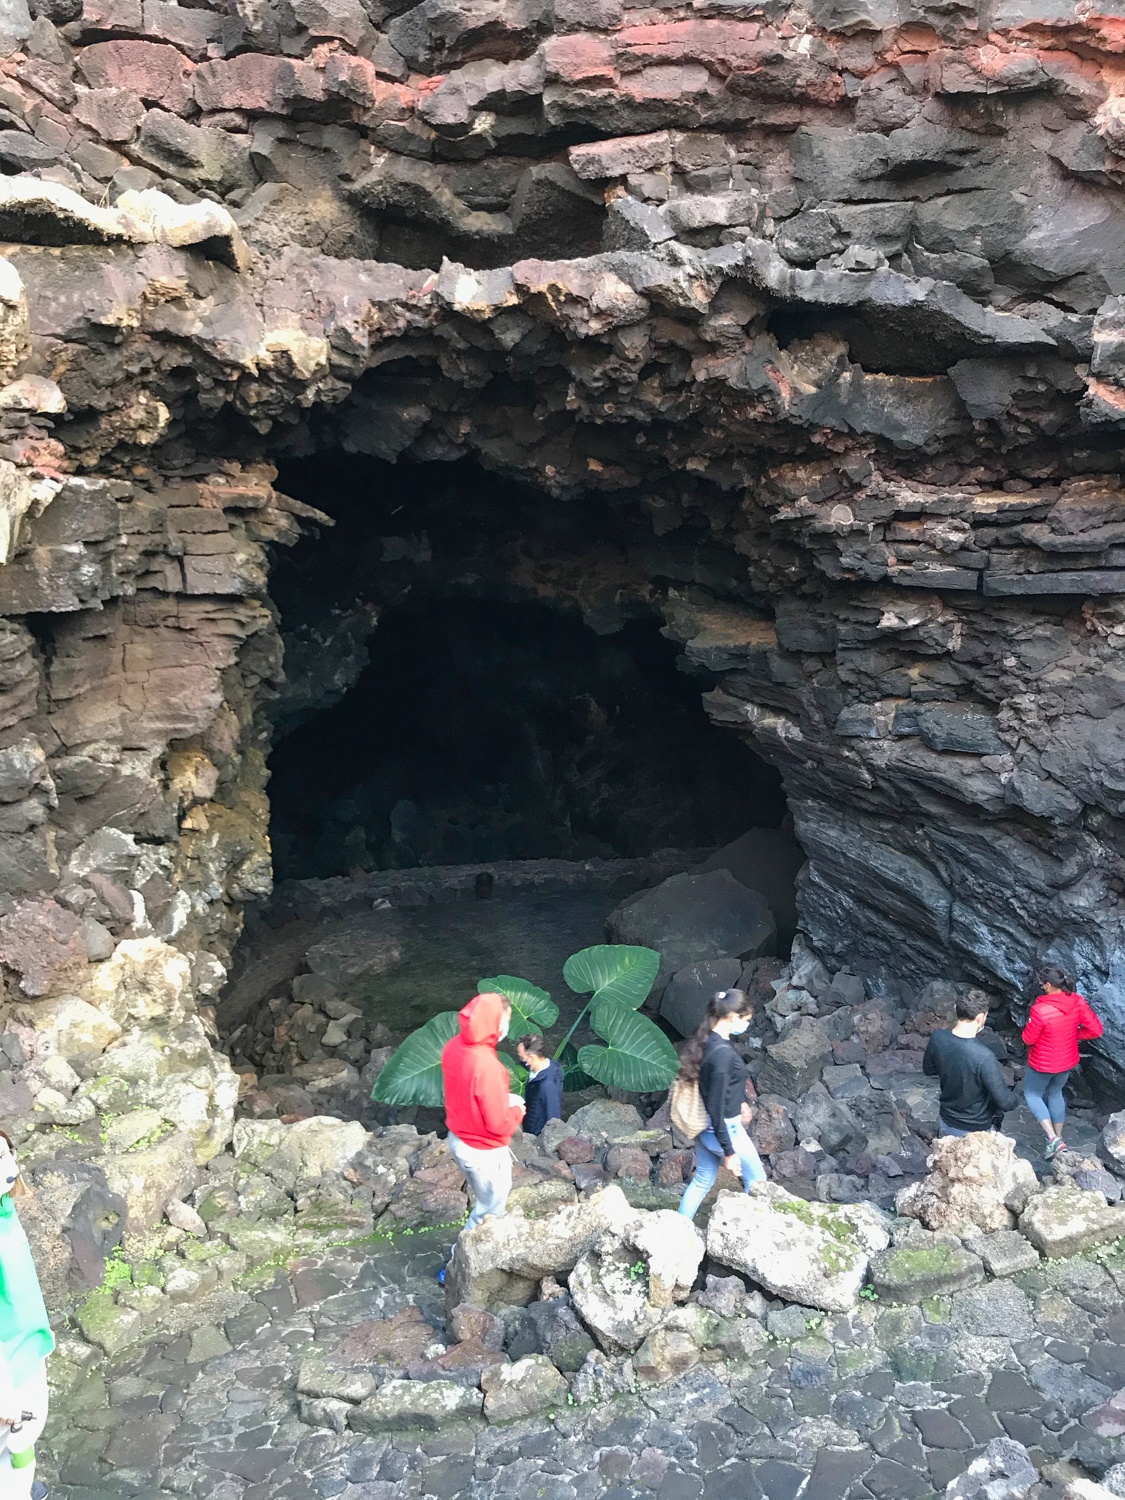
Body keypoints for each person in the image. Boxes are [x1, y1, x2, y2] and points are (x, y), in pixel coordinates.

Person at [676, 989, 767, 1220]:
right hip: (725, 1130)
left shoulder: (706, 1041)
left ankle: (678, 1225)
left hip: (703, 1129)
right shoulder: (723, 1055)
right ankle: (745, 1235)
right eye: (746, 1020)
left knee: (702, 1180)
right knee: (758, 1184)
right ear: (734, 1016)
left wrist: (742, 1102)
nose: (746, 1025)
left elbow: (716, 1088)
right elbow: (716, 1103)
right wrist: (728, 1151)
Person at [441, 992, 525, 1238]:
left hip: (458, 1137)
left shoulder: (454, 1046)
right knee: (489, 1211)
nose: (506, 1027)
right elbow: (499, 1125)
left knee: (485, 1201)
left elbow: (466, 1090)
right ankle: (459, 1263)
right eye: (505, 1020)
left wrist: (500, 1100)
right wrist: (517, 1110)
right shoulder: (487, 1066)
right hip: (482, 1150)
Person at [0, 1131, 53, 1500]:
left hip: (24, 1351)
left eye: (4, 1154)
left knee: (21, 1448)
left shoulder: (4, 1206)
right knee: (14, 1450)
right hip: (7, 1373)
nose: (4, 1168)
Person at [1022, 965, 1103, 1158]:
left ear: (1048, 985)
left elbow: (1028, 1039)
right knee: (1055, 1092)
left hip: (1043, 1063)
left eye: (1042, 984)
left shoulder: (1040, 1010)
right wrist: (1075, 1034)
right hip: (1067, 1060)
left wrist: (1028, 1027)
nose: (1041, 987)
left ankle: (1052, 1138)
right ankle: (1059, 1138)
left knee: (1032, 1094)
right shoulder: (1078, 1002)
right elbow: (1096, 1030)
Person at [922, 991, 1018, 1136]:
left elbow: (929, 1069)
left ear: (956, 1008)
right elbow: (1005, 1102)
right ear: (980, 1018)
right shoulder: (984, 1057)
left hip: (947, 1119)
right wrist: (1016, 1099)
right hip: (975, 1129)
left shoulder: (937, 1038)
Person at [516, 1034, 563, 1136]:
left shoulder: (548, 1085)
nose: (520, 1060)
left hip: (537, 1133)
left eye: (521, 1057)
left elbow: (554, 1118)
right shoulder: (541, 1064)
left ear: (531, 1058)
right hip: (529, 1121)